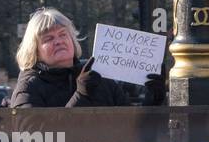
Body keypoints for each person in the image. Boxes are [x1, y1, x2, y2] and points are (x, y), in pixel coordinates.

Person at [9, 8, 164, 108]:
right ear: (34, 51)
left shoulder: (99, 76)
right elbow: (36, 137)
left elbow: (131, 130)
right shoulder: (28, 87)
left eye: (63, 34)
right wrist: (81, 96)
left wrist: (153, 100)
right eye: (48, 39)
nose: (58, 41)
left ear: (72, 40)